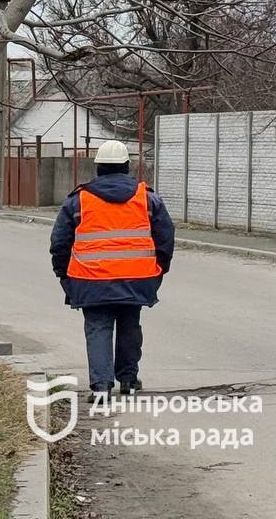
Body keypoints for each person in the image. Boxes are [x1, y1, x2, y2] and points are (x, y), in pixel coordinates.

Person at [49, 140, 175, 400]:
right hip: (137, 278)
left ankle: (101, 386)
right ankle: (128, 380)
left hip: (90, 279)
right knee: (130, 325)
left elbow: (60, 242)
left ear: (98, 168)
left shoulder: (79, 200)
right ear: (128, 167)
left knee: (98, 328)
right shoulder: (147, 198)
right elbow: (165, 237)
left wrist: (63, 274)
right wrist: (159, 269)